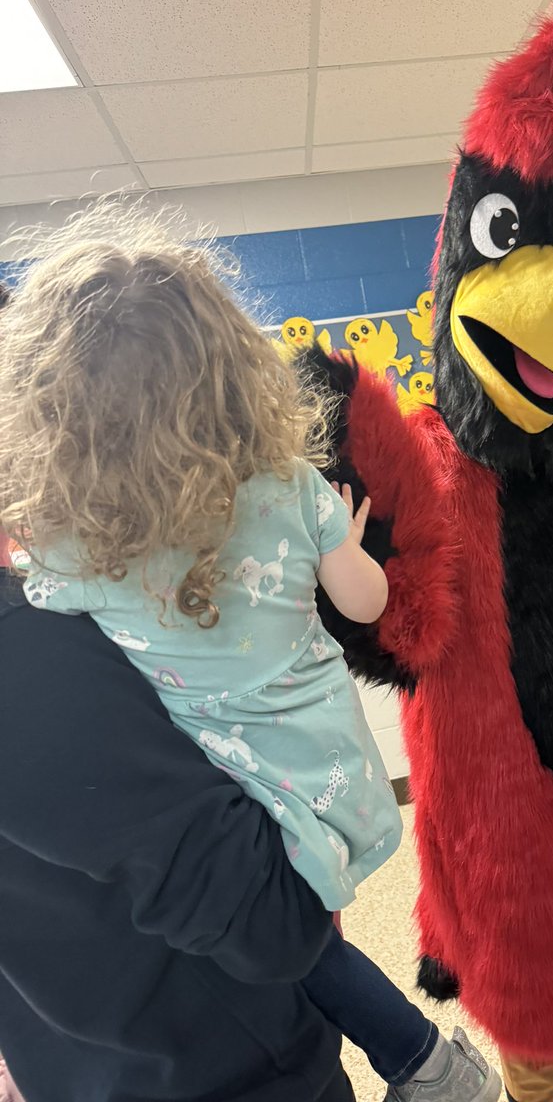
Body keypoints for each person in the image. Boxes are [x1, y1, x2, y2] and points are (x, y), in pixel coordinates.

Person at [0, 203, 499, 1102]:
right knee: (308, 925)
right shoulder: (287, 492)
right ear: (234, 381)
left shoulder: (71, 564)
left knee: (291, 928)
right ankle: (420, 1058)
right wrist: (341, 551)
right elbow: (370, 606)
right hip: (319, 793)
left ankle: (422, 1058)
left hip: (220, 854)